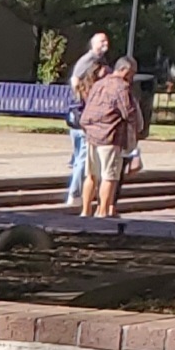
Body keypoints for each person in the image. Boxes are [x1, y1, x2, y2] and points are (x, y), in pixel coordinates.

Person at [80, 54, 147, 218]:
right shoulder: (121, 87)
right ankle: (102, 212)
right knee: (109, 176)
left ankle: (85, 210)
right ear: (125, 70)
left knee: (91, 175)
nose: (132, 77)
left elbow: (89, 107)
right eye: (132, 73)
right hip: (110, 136)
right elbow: (128, 112)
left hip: (91, 134)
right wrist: (137, 131)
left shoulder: (98, 84)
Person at [67, 31, 111, 206]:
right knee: (83, 157)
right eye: (101, 41)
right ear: (93, 44)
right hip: (82, 115)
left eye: (106, 41)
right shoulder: (89, 59)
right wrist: (82, 101)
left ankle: (76, 193)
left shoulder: (100, 61)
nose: (105, 43)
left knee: (80, 156)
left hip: (80, 115)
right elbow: (75, 79)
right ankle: (75, 193)